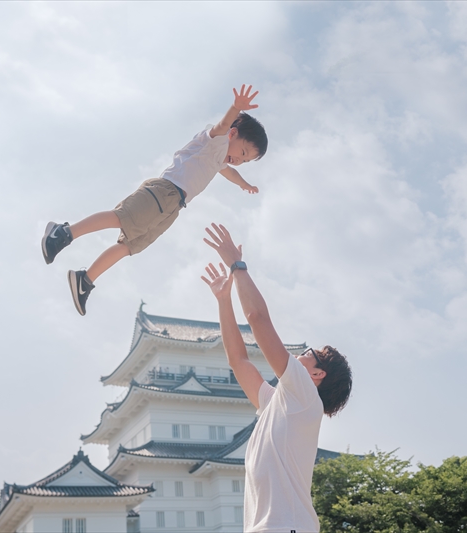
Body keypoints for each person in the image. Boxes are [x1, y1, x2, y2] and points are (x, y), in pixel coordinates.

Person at [41, 85, 268, 315]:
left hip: (173, 207)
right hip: (165, 191)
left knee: (129, 246)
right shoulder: (215, 140)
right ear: (233, 133)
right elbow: (221, 125)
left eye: (246, 160)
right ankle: (63, 233)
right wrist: (235, 108)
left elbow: (230, 172)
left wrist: (244, 184)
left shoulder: (220, 160)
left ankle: (85, 280)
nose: (239, 160)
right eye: (243, 153)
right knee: (121, 218)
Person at [202, 223, 353, 533]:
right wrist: (223, 300)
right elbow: (238, 360)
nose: (301, 353)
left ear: (316, 374)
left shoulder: (305, 397)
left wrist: (237, 265)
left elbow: (258, 319)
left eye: (311, 351)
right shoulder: (281, 403)